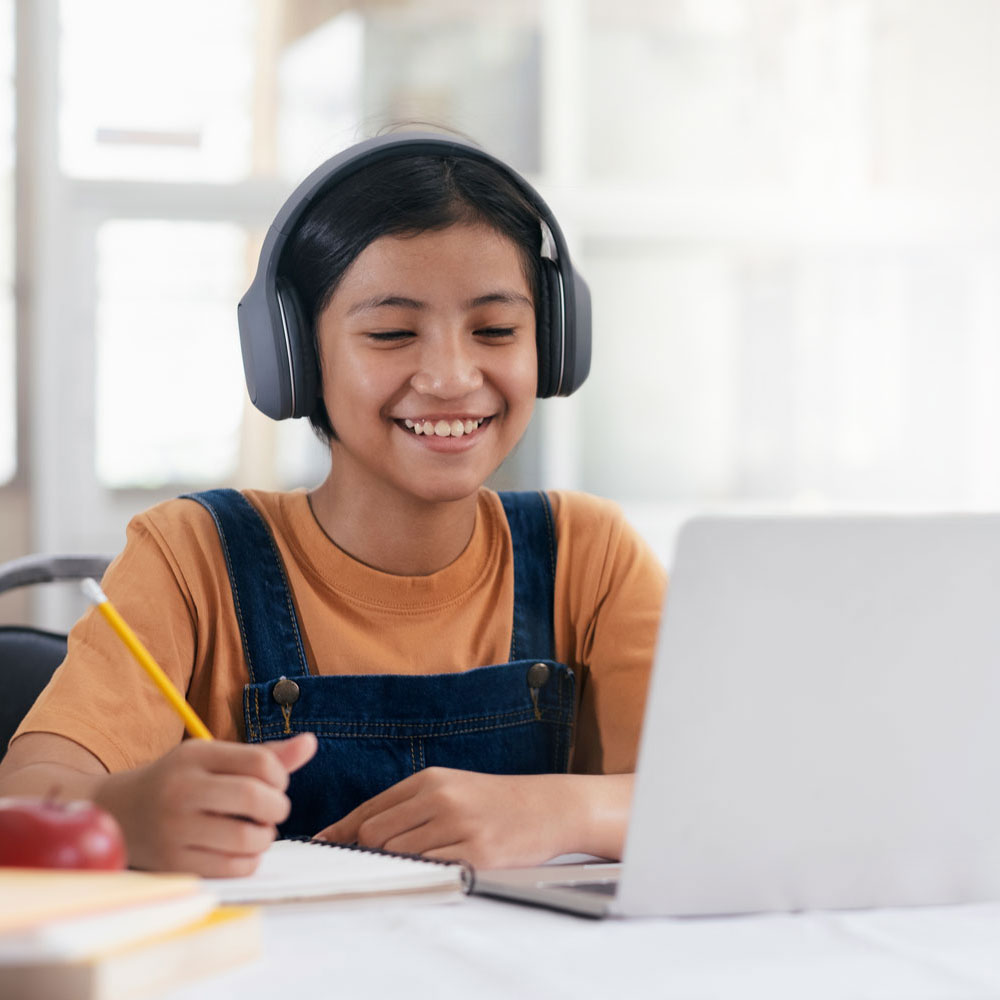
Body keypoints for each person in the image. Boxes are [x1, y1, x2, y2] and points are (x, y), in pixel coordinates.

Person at [0, 131, 665, 877]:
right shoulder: (190, 556)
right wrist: (130, 812)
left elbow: (722, 798)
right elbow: (21, 802)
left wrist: (563, 810)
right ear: (294, 357)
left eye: (496, 330)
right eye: (390, 332)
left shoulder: (591, 554)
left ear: (553, 343)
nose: (450, 376)